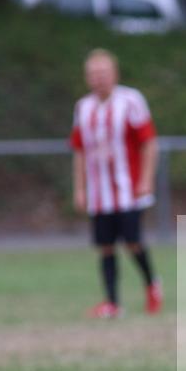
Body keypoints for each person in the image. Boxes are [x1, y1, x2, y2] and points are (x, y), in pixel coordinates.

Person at [70, 48, 162, 319]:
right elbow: (79, 151)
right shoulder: (82, 107)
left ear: (114, 74)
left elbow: (149, 142)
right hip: (100, 193)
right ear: (87, 78)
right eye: (93, 74)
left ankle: (152, 285)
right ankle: (111, 302)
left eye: (103, 73)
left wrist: (146, 179)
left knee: (132, 242)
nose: (98, 78)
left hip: (128, 190)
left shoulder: (131, 100)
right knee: (106, 246)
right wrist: (79, 188)